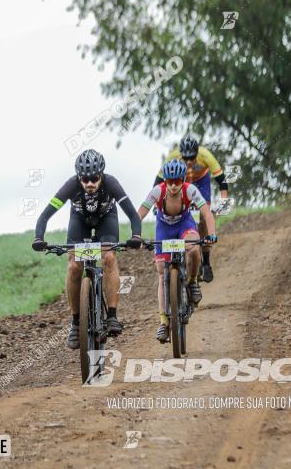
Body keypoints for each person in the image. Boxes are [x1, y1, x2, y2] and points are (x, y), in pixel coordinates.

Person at [32, 149, 142, 349]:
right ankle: (75, 323)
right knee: (74, 266)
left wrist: (136, 236)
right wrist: (39, 237)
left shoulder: (112, 183)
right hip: (79, 221)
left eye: (94, 178)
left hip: (106, 220)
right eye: (85, 179)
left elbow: (133, 215)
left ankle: (112, 315)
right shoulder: (70, 186)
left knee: (108, 257)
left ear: (101, 175)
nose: (90, 183)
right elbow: (45, 215)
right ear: (78, 177)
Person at [139, 158, 216, 343]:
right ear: (165, 180)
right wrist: (135, 235)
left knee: (194, 249)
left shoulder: (190, 189)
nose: (174, 186)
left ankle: (191, 282)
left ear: (183, 179)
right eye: (170, 181)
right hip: (164, 228)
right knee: (160, 272)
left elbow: (206, 212)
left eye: (177, 181)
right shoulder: (158, 191)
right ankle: (164, 323)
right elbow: (139, 214)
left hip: (184, 224)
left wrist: (211, 234)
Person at [153, 135, 228, 282]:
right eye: (185, 158)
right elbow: (158, 182)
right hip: (181, 183)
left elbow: (222, 180)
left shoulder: (206, 155)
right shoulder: (173, 156)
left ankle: (206, 262)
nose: (188, 162)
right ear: (180, 154)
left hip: (201, 182)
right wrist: (157, 204)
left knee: (203, 217)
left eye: (192, 158)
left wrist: (224, 200)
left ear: (197, 153)